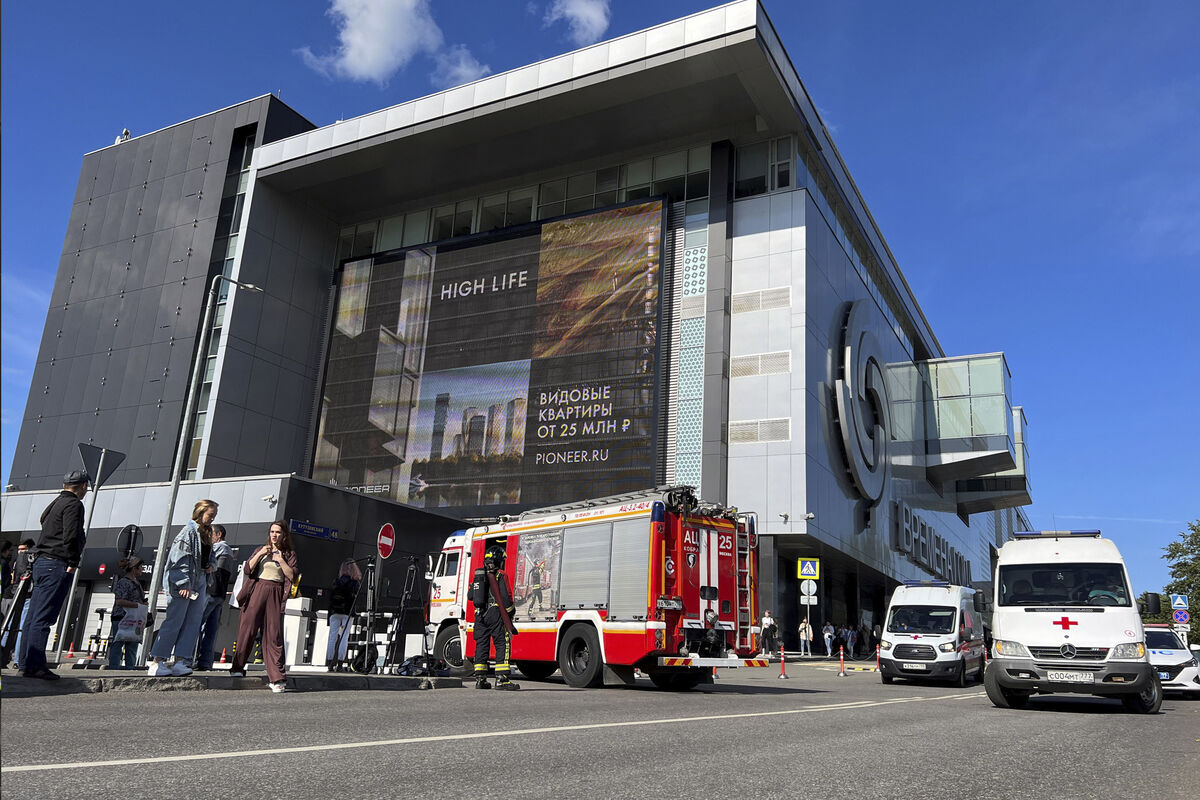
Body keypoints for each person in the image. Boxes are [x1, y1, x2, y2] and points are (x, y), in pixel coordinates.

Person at [20, 470, 90, 680]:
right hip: (57, 563)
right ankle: (37, 666)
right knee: (44, 618)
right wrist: (73, 562)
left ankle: (26, 663)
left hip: (42, 562)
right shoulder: (74, 504)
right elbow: (71, 535)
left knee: (32, 617)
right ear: (83, 486)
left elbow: (43, 522)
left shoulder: (55, 503)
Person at [147, 499, 217, 677]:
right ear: (200, 513)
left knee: (192, 622)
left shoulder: (206, 533)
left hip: (200, 578)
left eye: (214, 515)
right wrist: (183, 583)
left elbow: (210, 556)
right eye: (210, 515)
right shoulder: (188, 533)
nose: (212, 518)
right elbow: (180, 558)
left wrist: (211, 565)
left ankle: (181, 660)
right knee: (175, 620)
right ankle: (157, 661)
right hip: (187, 581)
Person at [228, 521, 299, 693]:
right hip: (257, 589)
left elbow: (293, 575)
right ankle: (237, 668)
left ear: (284, 535)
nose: (274, 535)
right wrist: (260, 553)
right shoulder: (261, 549)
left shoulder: (289, 554)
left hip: (275, 592)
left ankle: (277, 678)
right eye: (272, 532)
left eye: (278, 532)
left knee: (273, 634)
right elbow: (247, 569)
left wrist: (281, 560)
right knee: (247, 630)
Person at [471, 545, 519, 690]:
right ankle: (502, 679)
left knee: (482, 645)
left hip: (479, 615)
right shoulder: (500, 575)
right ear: (498, 560)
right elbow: (505, 599)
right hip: (495, 614)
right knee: (502, 643)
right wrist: (510, 613)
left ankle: (480, 679)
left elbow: (470, 596)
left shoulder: (479, 575)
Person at [194, 524, 235, 670]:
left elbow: (202, 559)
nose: (209, 537)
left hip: (210, 592)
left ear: (218, 535)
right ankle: (205, 662)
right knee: (211, 629)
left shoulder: (220, 548)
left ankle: (189, 659)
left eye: (211, 534)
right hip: (219, 594)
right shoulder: (229, 550)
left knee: (196, 624)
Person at [1, 539, 36, 669]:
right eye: (19, 549)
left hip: (16, 592)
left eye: (23, 549)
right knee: (20, 627)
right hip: (25, 593)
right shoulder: (29, 558)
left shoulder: (16, 560)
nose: (21, 551)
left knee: (9, 625)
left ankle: (4, 657)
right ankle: (17, 660)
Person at [108, 556, 146, 669]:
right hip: (121, 617)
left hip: (134, 618)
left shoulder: (137, 583)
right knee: (118, 643)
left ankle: (130, 668)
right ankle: (114, 669)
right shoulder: (124, 582)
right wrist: (138, 605)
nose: (142, 570)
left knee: (132, 644)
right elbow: (119, 601)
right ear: (134, 568)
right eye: (140, 568)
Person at [326, 558, 361, 670]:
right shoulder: (354, 583)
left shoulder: (336, 581)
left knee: (332, 637)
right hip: (347, 611)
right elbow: (355, 598)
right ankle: (340, 663)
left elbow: (330, 597)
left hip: (335, 611)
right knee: (344, 637)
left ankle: (329, 662)